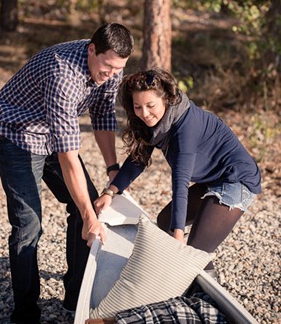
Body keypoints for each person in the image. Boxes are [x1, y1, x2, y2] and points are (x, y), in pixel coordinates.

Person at [0, 23, 134, 324]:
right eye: (107, 67)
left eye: (118, 69)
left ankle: (75, 298)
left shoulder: (111, 67)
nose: (111, 74)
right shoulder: (63, 74)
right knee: (28, 226)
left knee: (90, 206)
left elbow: (104, 115)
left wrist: (112, 170)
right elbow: (69, 156)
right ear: (91, 50)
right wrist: (89, 216)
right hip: (14, 134)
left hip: (49, 133)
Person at [94, 68, 261, 277]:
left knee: (192, 253)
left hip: (237, 180)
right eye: (138, 107)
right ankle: (179, 281)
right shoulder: (158, 122)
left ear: (165, 99)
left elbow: (180, 185)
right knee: (166, 222)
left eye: (150, 106)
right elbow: (138, 159)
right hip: (213, 179)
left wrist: (178, 236)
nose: (144, 113)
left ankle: (208, 299)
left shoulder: (185, 126)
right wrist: (110, 192)